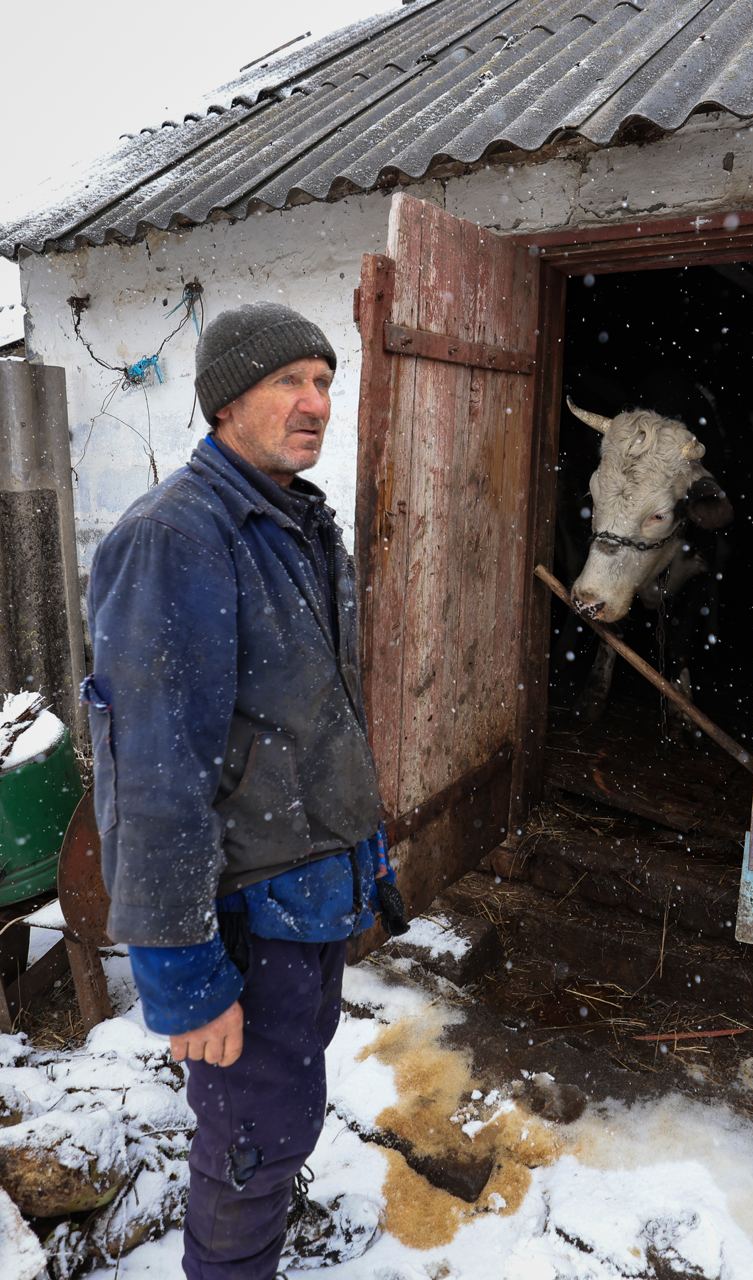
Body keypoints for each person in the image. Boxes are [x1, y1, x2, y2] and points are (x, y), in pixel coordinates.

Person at [84, 301, 406, 1279]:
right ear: (228, 399)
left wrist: (366, 867)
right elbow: (152, 777)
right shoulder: (180, 536)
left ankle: (262, 1222)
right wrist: (184, 978)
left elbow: (315, 723)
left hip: (301, 899)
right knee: (249, 1144)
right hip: (242, 916)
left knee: (277, 1115)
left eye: (323, 382)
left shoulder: (294, 522)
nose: (315, 402)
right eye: (288, 382)